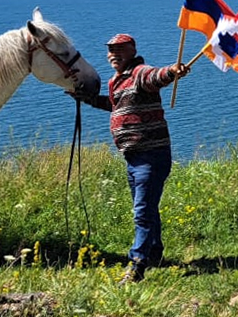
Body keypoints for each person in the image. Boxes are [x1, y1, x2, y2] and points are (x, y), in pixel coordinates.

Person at [74, 33, 190, 282]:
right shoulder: (118, 80)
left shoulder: (139, 73)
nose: (113, 54)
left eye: (119, 50)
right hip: (134, 156)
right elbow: (116, 106)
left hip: (151, 154)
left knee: (142, 211)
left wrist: (172, 71)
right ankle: (155, 254)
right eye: (110, 50)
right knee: (148, 208)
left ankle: (137, 265)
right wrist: (88, 99)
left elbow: (155, 77)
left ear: (132, 50)